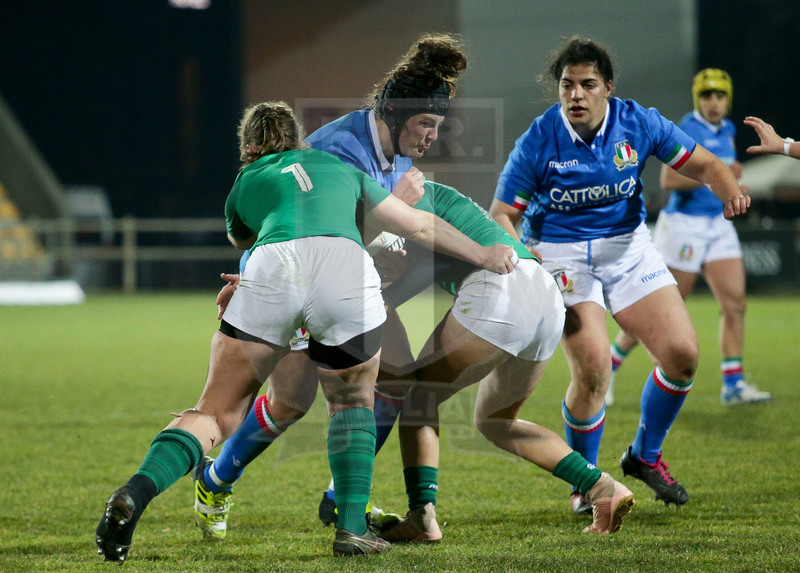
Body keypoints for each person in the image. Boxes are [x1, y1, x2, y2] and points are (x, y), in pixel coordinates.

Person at [94, 100, 516, 563]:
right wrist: (485, 254)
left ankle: (134, 492)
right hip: (345, 267)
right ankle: (351, 530)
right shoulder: (337, 164)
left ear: (249, 147)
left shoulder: (246, 179)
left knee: (216, 412)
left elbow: (247, 239)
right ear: (298, 140)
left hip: (273, 270)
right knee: (354, 399)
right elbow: (415, 222)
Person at [190, 32, 469, 539]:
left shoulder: (396, 149)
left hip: (343, 283)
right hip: (295, 279)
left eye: (437, 126)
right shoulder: (341, 149)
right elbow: (314, 231)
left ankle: (344, 501)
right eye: (426, 124)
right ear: (394, 115)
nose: (431, 137)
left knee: (394, 379)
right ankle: (217, 476)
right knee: (291, 400)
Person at [489, 37, 750, 513]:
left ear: (607, 88)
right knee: (591, 368)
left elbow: (707, 164)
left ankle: (645, 457)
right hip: (561, 254)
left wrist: (729, 190)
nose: (576, 95)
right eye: (567, 85)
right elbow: (502, 213)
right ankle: (587, 484)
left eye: (587, 84)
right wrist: (522, 254)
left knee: (683, 356)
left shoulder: (639, 122)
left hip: (628, 247)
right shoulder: (539, 138)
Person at [378, 179, 635, 542]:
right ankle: (601, 486)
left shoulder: (406, 202)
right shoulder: (436, 193)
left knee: (419, 397)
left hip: (499, 290)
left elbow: (402, 283)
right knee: (497, 420)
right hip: (544, 293)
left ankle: (422, 517)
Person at [608, 69, 772, 406]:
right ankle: (608, 367)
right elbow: (669, 180)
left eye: (720, 96)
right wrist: (717, 174)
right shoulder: (688, 127)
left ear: (728, 100)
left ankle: (733, 385)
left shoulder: (726, 129)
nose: (714, 102)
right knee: (663, 309)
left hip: (717, 224)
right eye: (707, 95)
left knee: (735, 303)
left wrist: (732, 185)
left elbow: (722, 174)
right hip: (684, 225)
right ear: (698, 98)